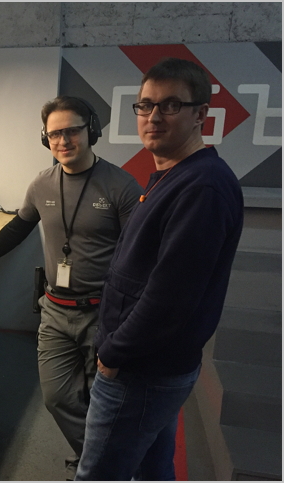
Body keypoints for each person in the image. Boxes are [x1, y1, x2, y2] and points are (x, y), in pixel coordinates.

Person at [0, 96, 142, 480]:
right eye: (54, 134)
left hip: (103, 312)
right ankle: (97, 461)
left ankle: (97, 468)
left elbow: (139, 254)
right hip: (55, 309)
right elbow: (18, 227)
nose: (63, 141)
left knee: (101, 401)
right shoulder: (42, 183)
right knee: (57, 397)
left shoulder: (120, 186)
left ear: (91, 130)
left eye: (72, 131)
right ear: (45, 138)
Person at [75, 58, 244, 480]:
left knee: (99, 474)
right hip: (151, 366)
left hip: (141, 370)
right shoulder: (175, 176)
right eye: (146, 105)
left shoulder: (202, 187)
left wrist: (113, 353)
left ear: (200, 114)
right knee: (152, 468)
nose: (153, 117)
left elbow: (170, 297)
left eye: (170, 105)